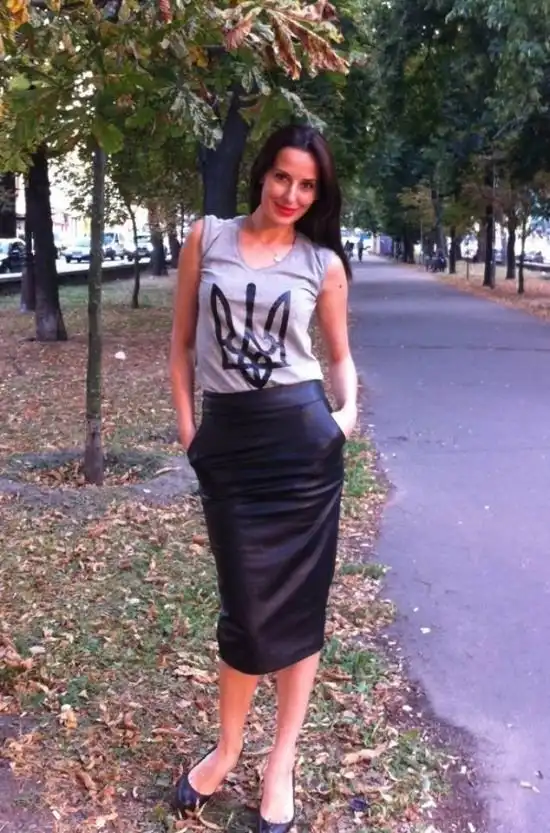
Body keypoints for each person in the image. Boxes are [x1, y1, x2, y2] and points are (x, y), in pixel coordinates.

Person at [169, 123, 358, 832]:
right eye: (283, 176)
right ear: (262, 174)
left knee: (299, 609)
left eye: (308, 185)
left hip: (302, 448)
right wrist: (191, 433)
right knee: (245, 609)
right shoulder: (206, 239)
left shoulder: (321, 263)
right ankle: (226, 749)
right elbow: (181, 347)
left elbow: (338, 357)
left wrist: (344, 417)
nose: (292, 194)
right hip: (231, 445)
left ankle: (281, 762)